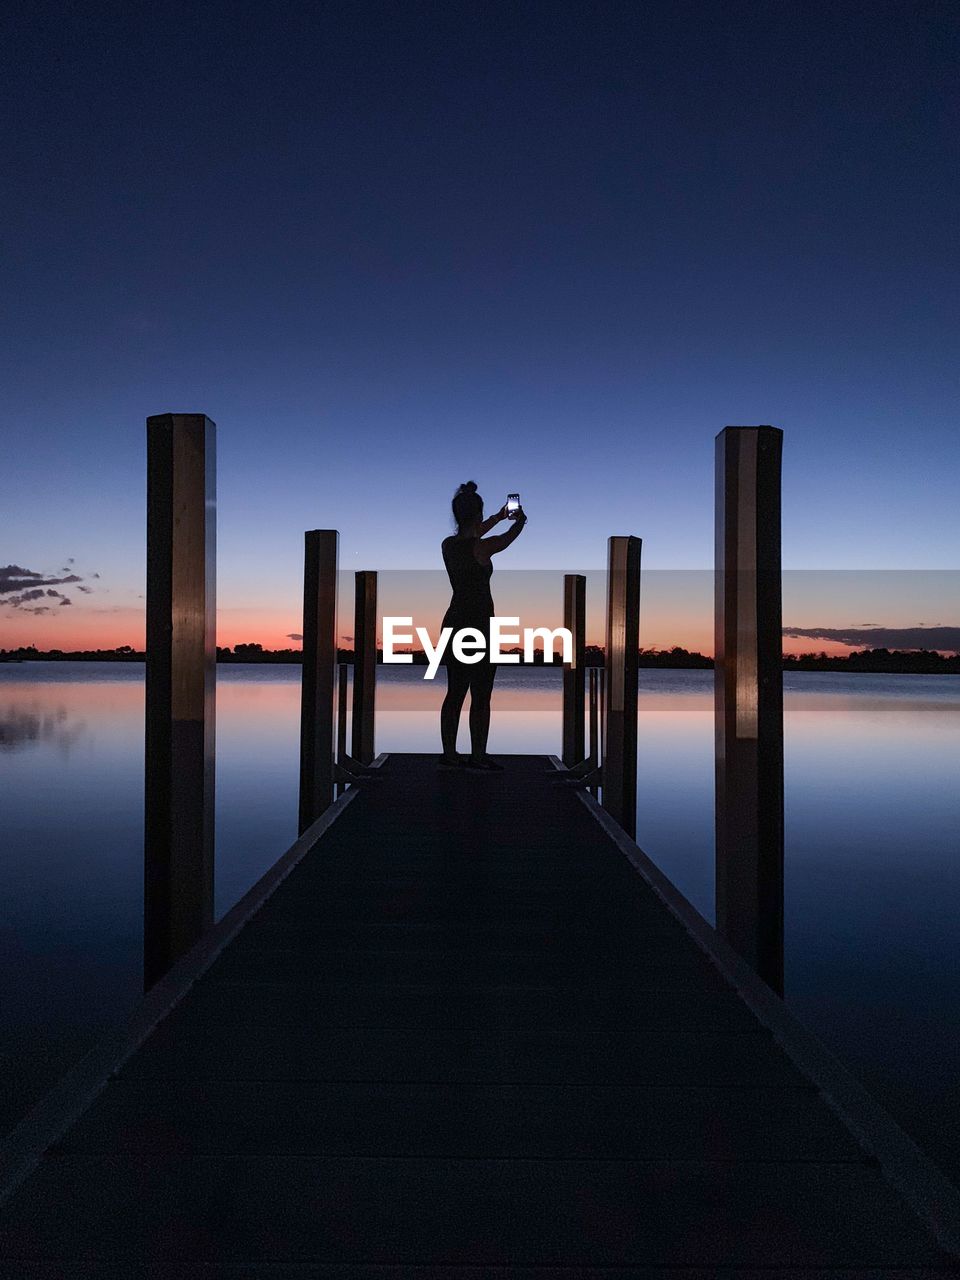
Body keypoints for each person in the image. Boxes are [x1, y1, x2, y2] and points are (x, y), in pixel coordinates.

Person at [439, 481, 527, 770]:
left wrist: (498, 517)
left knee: (454, 693)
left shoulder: (449, 546)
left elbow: (473, 535)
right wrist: (518, 521)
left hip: (454, 622)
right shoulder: (483, 547)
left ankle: (450, 755)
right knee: (481, 694)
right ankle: (477, 756)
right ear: (478, 515)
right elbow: (508, 538)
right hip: (479, 625)